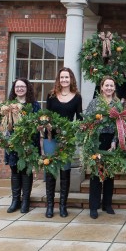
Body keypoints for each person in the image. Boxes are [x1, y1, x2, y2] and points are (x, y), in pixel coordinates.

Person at [45, 67, 82, 218]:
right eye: (62, 77)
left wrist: (74, 130)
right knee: (50, 172)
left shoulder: (77, 97)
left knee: (65, 172)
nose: (64, 80)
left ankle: (62, 206)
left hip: (67, 140)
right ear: (58, 79)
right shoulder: (51, 95)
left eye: (67, 77)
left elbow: (79, 119)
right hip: (51, 138)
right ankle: (49, 206)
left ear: (71, 79)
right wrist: (46, 124)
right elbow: (45, 115)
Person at [85, 76, 120, 219]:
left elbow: (120, 125)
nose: (109, 88)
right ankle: (94, 206)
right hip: (97, 140)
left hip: (111, 140)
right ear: (102, 87)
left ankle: (107, 204)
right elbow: (87, 121)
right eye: (107, 85)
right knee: (96, 174)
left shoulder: (117, 104)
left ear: (114, 88)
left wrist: (114, 141)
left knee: (109, 174)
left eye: (111, 86)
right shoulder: (94, 103)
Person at [5, 78, 40, 214]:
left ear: (27, 88)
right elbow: (5, 125)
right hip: (13, 143)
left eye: (22, 86)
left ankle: (26, 201)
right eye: (17, 87)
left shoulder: (34, 105)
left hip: (29, 143)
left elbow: (37, 125)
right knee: (15, 171)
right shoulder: (9, 105)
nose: (19, 89)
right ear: (14, 89)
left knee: (26, 171)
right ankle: (15, 201)